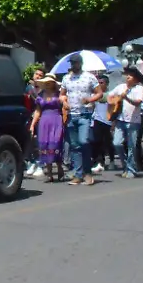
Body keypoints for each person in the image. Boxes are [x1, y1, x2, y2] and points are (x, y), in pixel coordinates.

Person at [61, 55, 102, 186]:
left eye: (75, 62)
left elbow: (99, 93)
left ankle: (88, 172)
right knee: (74, 145)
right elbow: (62, 94)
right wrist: (64, 102)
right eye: (72, 63)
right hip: (71, 114)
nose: (73, 65)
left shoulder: (89, 77)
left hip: (85, 113)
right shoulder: (66, 78)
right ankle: (78, 174)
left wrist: (90, 100)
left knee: (84, 141)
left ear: (81, 63)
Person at [108, 67, 143, 177]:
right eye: (127, 75)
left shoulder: (140, 89)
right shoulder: (121, 87)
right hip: (120, 119)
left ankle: (131, 169)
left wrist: (126, 98)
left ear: (135, 79)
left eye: (130, 76)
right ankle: (125, 164)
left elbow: (138, 103)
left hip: (133, 121)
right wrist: (113, 102)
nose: (128, 77)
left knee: (132, 146)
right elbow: (109, 96)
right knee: (117, 143)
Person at [29, 74, 68, 182]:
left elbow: (65, 107)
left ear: (54, 83)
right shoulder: (40, 95)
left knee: (56, 144)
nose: (48, 84)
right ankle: (49, 173)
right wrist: (32, 125)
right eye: (46, 82)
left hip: (56, 120)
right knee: (45, 145)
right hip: (44, 121)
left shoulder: (59, 94)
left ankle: (60, 168)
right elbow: (37, 111)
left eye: (50, 82)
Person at [90, 75, 114, 173]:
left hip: (108, 121)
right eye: (98, 83)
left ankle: (112, 160)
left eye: (101, 83)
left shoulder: (111, 94)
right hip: (97, 120)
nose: (99, 85)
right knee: (96, 141)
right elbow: (91, 106)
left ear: (107, 84)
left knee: (108, 142)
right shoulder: (94, 95)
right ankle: (99, 162)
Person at [24, 68, 45, 177]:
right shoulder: (28, 88)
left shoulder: (44, 90)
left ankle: (41, 164)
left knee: (41, 142)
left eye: (40, 75)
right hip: (29, 117)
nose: (38, 76)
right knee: (29, 140)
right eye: (36, 74)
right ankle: (31, 162)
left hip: (42, 117)